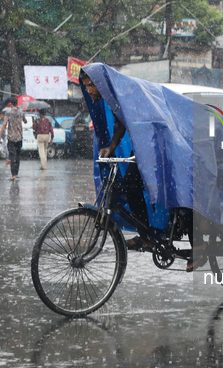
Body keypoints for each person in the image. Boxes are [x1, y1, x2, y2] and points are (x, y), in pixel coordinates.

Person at [82, 71, 206, 271]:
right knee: (130, 184)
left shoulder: (125, 91)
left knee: (180, 193)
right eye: (85, 85)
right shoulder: (114, 95)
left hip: (166, 144)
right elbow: (121, 122)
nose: (88, 90)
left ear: (100, 83)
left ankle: (199, 246)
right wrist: (112, 148)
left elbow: (152, 119)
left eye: (90, 85)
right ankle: (147, 236)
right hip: (145, 147)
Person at [0, 97, 27, 180]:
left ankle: (13, 174)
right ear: (17, 104)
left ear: (10, 104)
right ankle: (16, 173)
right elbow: (25, 121)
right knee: (18, 156)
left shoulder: (8, 113)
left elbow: (4, 124)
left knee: (12, 156)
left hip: (11, 138)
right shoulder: (21, 113)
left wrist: (0, 136)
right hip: (19, 137)